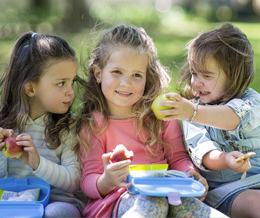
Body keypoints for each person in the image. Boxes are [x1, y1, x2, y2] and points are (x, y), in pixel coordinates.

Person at [74, 24, 227, 218]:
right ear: (98, 73)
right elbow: (88, 180)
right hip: (119, 199)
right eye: (117, 72)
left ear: (147, 78)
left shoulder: (160, 117)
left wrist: (191, 174)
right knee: (153, 205)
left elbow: (178, 158)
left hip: (168, 192)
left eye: (136, 75)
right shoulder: (94, 124)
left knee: (190, 208)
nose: (125, 83)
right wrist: (107, 180)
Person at [157, 23, 260, 217]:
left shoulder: (251, 101)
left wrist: (192, 112)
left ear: (234, 77)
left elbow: (233, 117)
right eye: (194, 73)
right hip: (228, 191)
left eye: (206, 75)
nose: (196, 81)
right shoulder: (192, 112)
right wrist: (226, 159)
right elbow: (205, 155)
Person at [0, 32, 85, 217]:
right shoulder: (6, 123)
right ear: (31, 88)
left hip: (52, 200)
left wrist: (38, 163)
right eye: (61, 84)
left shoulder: (68, 126)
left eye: (71, 82)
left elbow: (74, 181)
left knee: (61, 213)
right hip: (10, 198)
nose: (70, 92)